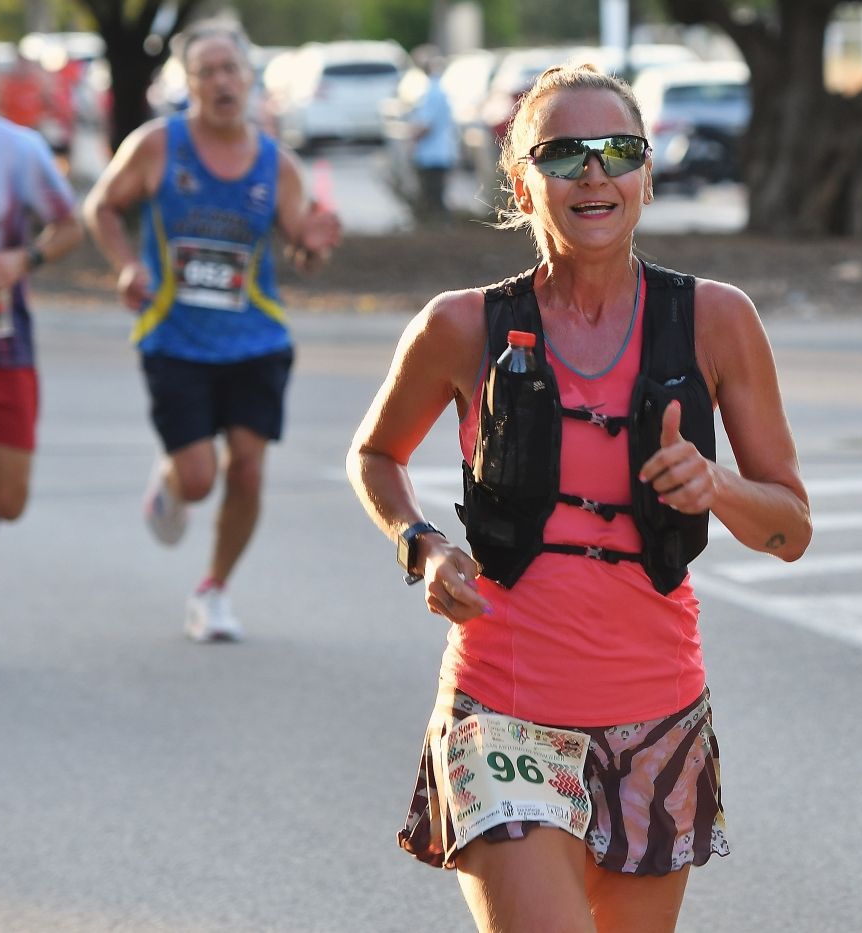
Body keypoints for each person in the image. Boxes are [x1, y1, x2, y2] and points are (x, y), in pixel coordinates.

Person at [346, 64, 812, 932]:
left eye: (617, 151)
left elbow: (791, 529)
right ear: (522, 183)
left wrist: (714, 484)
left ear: (646, 174)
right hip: (506, 712)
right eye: (563, 154)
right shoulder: (460, 327)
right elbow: (375, 453)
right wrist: (423, 543)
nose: (593, 173)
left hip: (659, 714)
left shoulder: (716, 320)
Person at [82, 22, 342, 642]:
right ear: (189, 82)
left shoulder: (278, 165)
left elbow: (300, 250)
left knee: (247, 470)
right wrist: (127, 264)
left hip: (257, 339)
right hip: (174, 337)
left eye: (231, 69)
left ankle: (214, 590)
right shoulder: (156, 147)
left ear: (249, 79)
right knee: (199, 479)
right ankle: (171, 480)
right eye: (208, 71)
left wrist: (310, 248)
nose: (222, 81)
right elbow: (102, 207)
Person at [0, 113, 83, 534]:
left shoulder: (16, 148)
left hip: (2, 341)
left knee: (10, 499)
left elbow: (69, 226)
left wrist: (24, 259)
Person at [407, 47, 457, 225]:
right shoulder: (440, 90)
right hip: (442, 151)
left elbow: (425, 125)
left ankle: (438, 227)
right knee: (438, 193)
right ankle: (441, 226)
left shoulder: (432, 92)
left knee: (433, 195)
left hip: (432, 154)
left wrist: (412, 138)